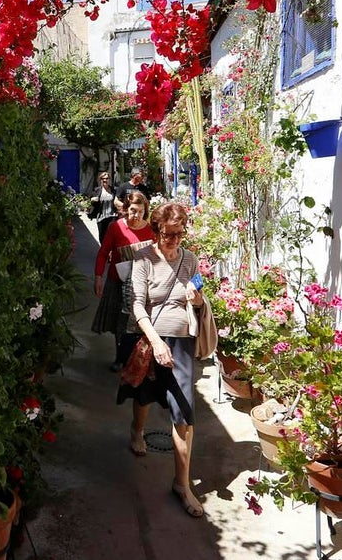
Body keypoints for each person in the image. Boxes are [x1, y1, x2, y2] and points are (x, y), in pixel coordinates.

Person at [118, 202, 215, 519]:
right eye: (168, 234)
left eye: (179, 233)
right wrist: (156, 342)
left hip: (182, 342)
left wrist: (196, 298)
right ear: (157, 231)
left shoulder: (189, 259)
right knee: (145, 396)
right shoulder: (144, 259)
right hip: (151, 340)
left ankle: (181, 484)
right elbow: (137, 307)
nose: (175, 240)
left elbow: (198, 300)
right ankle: (137, 430)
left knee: (183, 414)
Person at [91, 192, 154, 370]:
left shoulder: (150, 231)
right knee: (120, 322)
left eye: (141, 212)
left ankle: (135, 358)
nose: (137, 215)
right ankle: (121, 358)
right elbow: (103, 253)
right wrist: (98, 277)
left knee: (136, 323)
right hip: (117, 281)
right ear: (126, 209)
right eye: (133, 210)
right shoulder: (116, 227)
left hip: (142, 285)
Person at [87, 171, 118, 242]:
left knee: (111, 235)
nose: (105, 180)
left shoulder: (114, 190)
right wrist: (92, 199)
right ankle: (104, 250)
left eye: (107, 178)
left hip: (112, 216)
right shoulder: (97, 190)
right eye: (102, 178)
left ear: (109, 180)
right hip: (101, 216)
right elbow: (90, 199)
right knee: (102, 236)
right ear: (100, 180)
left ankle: (110, 251)